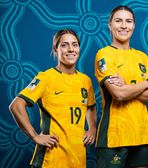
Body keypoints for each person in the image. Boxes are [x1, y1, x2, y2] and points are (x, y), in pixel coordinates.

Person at [9, 29, 97, 168]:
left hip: (78, 159)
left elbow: (90, 107)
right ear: (56, 49)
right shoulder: (45, 78)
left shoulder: (85, 81)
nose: (70, 49)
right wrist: (35, 136)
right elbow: (16, 105)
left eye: (74, 44)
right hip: (51, 160)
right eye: (64, 45)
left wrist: (92, 128)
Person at [94, 5, 148, 168]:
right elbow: (119, 94)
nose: (124, 25)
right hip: (114, 136)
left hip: (141, 135)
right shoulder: (104, 54)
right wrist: (145, 84)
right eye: (118, 21)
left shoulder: (142, 57)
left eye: (128, 21)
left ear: (134, 26)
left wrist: (128, 86)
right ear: (110, 25)